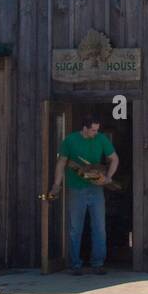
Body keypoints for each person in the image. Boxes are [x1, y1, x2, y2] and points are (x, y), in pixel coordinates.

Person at [49, 117, 119, 275]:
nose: (96, 132)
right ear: (85, 128)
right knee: (75, 228)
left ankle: (98, 263)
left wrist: (108, 177)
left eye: (97, 129)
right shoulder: (70, 140)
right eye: (93, 129)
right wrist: (56, 185)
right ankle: (75, 264)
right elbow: (61, 163)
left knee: (99, 228)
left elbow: (114, 159)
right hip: (76, 188)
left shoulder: (101, 139)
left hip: (96, 189)